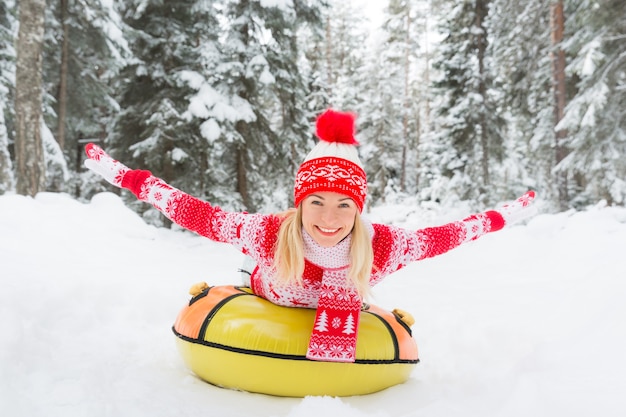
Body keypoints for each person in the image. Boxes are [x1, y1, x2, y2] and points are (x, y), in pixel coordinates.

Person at [84, 109, 537, 363]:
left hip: (341, 301)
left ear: (358, 211)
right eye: (316, 201)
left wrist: (504, 215)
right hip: (271, 288)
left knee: (344, 300)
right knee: (261, 271)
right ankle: (253, 275)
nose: (329, 216)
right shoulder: (270, 233)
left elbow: (449, 235)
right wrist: (129, 177)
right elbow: (197, 214)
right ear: (300, 204)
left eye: (344, 205)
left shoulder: (381, 245)